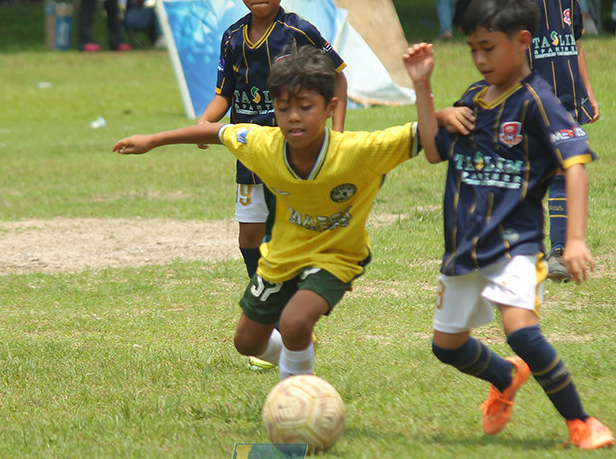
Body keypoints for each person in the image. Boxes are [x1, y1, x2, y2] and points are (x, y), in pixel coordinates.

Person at [114, 45, 420, 380]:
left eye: (305, 107)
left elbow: (421, 137)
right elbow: (215, 132)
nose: (294, 117)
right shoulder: (263, 143)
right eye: (284, 107)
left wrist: (430, 98)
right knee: (246, 342)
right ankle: (301, 351)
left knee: (293, 322)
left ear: (330, 108)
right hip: (283, 257)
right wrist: (153, 140)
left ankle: (298, 395)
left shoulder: (357, 151)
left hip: (337, 256)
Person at [411, 0, 614, 450]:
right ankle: (505, 377)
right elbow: (432, 153)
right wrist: (428, 97)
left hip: (515, 245)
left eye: (489, 48)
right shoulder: (473, 98)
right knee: (447, 347)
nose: (480, 59)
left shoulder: (538, 100)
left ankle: (582, 423)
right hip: (465, 245)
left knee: (521, 332)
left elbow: (576, 162)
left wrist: (577, 240)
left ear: (523, 41)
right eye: (473, 49)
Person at [195, 0, 349, 370]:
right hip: (250, 154)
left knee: (285, 238)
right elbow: (224, 93)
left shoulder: (299, 31)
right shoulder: (232, 37)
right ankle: (269, 322)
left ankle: (293, 320)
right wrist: (206, 123)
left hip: (291, 154)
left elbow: (337, 78)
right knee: (248, 239)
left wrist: (334, 135)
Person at [510, 0, 599, 283]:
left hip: (567, 104)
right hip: (532, 105)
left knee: (567, 169)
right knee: (528, 177)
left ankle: (559, 252)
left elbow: (574, 45)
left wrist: (588, 94)